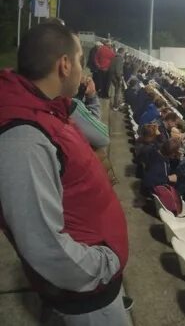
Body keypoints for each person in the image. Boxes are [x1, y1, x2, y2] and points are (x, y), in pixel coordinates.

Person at [0, 23, 130, 324]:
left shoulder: (47, 110)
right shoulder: (24, 138)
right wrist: (103, 267)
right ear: (64, 64)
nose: (84, 70)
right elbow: (42, 244)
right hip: (86, 298)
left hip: (91, 288)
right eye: (82, 61)